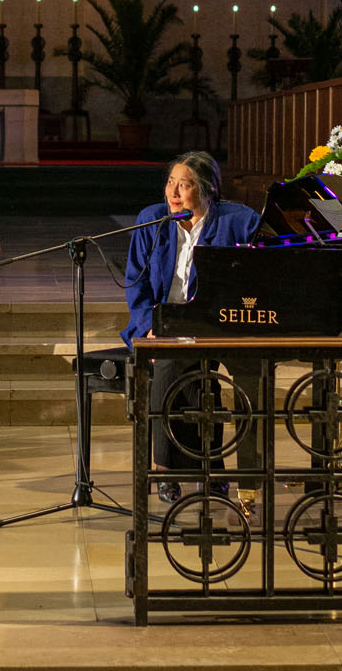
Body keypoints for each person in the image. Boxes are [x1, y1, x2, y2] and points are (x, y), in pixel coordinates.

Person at [123, 151, 261, 503]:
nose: (173, 192)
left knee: (209, 366)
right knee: (174, 363)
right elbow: (136, 285)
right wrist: (147, 327)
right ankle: (184, 468)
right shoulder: (151, 220)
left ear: (208, 188)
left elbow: (264, 267)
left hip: (218, 322)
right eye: (170, 182)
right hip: (164, 322)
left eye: (184, 185)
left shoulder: (237, 221)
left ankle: (192, 468)